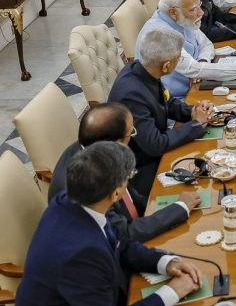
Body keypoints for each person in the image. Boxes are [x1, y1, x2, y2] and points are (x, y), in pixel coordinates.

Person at [17, 141, 202, 306]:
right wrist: (172, 292)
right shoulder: (83, 255)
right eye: (129, 177)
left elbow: (118, 243)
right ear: (115, 194)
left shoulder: (70, 199)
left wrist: (165, 262)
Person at [47, 103, 201, 243]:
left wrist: (168, 204)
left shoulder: (95, 146)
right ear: (116, 142)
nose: (134, 136)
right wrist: (179, 208)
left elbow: (130, 200)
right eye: (131, 133)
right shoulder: (84, 184)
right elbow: (123, 233)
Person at [110, 26, 211, 196]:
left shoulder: (143, 69)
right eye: (178, 59)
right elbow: (155, 145)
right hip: (140, 168)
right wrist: (196, 124)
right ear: (166, 66)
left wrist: (193, 110)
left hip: (156, 150)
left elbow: (168, 103)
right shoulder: (131, 95)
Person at [135, 0, 236, 100]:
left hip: (199, 84)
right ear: (173, 12)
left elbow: (206, 44)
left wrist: (202, 62)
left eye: (199, 6)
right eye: (193, 9)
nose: (201, 13)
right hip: (177, 102)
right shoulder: (159, 34)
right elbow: (191, 68)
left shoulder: (182, 18)